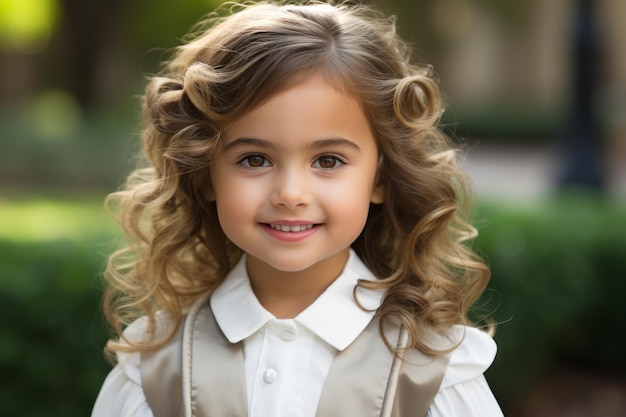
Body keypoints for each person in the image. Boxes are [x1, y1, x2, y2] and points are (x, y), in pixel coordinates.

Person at [91, 1, 504, 416]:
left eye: (328, 161)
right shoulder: (155, 370)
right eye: (255, 160)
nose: (290, 194)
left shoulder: (434, 372)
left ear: (380, 177)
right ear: (205, 175)